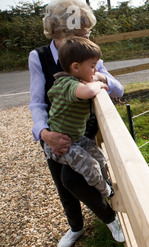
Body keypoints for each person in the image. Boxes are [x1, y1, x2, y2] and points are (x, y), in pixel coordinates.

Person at [28, 0, 124, 247]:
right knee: (62, 183)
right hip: (54, 130)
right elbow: (37, 102)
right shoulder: (39, 57)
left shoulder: (83, 52)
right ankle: (76, 227)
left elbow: (118, 88)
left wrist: (99, 76)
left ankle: (109, 216)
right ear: (61, 33)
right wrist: (44, 133)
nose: (87, 38)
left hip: (83, 129)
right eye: (82, 33)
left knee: (73, 177)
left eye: (87, 33)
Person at [44, 37, 114, 199]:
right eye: (92, 66)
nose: (96, 71)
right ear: (75, 67)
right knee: (90, 165)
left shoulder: (75, 80)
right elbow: (88, 92)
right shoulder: (68, 83)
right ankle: (106, 192)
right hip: (62, 144)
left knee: (99, 156)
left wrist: (93, 79)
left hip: (75, 138)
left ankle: (105, 181)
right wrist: (98, 84)